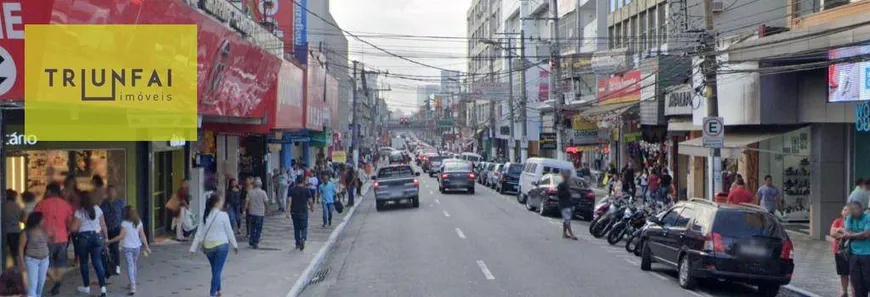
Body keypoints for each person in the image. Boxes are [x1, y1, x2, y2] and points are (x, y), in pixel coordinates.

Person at [189, 193, 238, 297]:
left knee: (215, 269)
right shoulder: (223, 215)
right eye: (221, 201)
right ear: (216, 203)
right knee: (217, 270)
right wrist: (234, 244)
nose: (222, 202)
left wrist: (193, 248)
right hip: (222, 245)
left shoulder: (205, 215)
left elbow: (198, 233)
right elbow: (229, 231)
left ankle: (219, 289)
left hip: (208, 247)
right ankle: (212, 293)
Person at [33, 183, 73, 296]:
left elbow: (34, 221)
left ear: (49, 191)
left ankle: (52, 280)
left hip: (46, 239)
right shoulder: (65, 204)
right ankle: (58, 281)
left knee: (46, 261)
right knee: (60, 262)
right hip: (62, 238)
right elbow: (69, 222)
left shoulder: (41, 204)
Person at [71, 192, 109, 297]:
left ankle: (86, 287)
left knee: (84, 262)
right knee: (97, 261)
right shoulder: (97, 209)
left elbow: (73, 228)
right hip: (97, 237)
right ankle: (103, 289)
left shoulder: (79, 212)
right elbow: (103, 225)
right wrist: (106, 238)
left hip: (84, 238)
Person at [106, 206, 150, 296]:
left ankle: (133, 286)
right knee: (134, 264)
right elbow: (143, 235)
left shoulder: (124, 223)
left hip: (127, 247)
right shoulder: (138, 222)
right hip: (137, 247)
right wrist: (146, 246)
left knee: (130, 265)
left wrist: (110, 241)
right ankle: (132, 283)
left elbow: (121, 236)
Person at [836, 201, 870, 297]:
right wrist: (858, 234)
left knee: (867, 280)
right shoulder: (850, 218)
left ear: (861, 209)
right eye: (852, 212)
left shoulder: (868, 217)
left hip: (867, 254)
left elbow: (867, 234)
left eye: (856, 211)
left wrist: (851, 235)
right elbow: (847, 232)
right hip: (854, 254)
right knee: (856, 283)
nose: (854, 214)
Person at [18, 212, 49, 297]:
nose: (44, 220)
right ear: (37, 220)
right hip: (32, 261)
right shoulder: (26, 232)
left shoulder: (44, 230)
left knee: (41, 284)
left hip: (45, 260)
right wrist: (22, 263)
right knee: (32, 285)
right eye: (42, 219)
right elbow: (21, 248)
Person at [99, 185, 125, 276]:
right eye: (109, 191)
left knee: (115, 247)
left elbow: (124, 215)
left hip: (117, 228)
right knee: (108, 248)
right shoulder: (103, 204)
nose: (111, 193)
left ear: (116, 193)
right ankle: (110, 267)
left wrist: (124, 227)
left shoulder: (120, 203)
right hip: (107, 228)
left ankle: (117, 265)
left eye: (113, 191)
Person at [287, 176, 314, 250]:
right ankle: (303, 238)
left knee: (296, 228)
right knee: (304, 227)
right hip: (303, 211)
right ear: (303, 181)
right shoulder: (306, 190)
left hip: (294, 211)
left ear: (296, 181)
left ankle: (297, 243)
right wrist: (312, 207)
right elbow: (310, 200)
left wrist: (287, 211)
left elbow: (289, 201)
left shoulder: (291, 190)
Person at [830, 205, 850, 297]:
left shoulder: (855, 222)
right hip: (839, 251)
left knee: (854, 273)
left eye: (849, 210)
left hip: (853, 251)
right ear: (842, 212)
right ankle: (844, 292)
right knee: (843, 272)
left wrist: (841, 231)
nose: (846, 211)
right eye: (845, 210)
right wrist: (846, 234)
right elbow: (833, 233)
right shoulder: (837, 221)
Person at [244, 178, 269, 249]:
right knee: (258, 228)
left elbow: (247, 201)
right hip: (260, 213)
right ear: (260, 185)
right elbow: (266, 202)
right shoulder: (263, 192)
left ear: (254, 185)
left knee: (252, 227)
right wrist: (267, 209)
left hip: (252, 212)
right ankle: (255, 241)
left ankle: (251, 240)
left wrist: (245, 209)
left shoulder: (250, 192)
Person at [557, 170, 578, 240]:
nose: (568, 178)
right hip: (564, 204)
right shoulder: (562, 185)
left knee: (566, 219)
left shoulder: (566, 185)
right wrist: (567, 192)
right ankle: (571, 234)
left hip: (567, 204)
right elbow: (559, 194)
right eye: (567, 177)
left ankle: (564, 233)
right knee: (567, 219)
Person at [3, 189, 23, 261]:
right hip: (15, 231)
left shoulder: (2, 205)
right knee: (15, 253)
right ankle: (16, 269)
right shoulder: (17, 206)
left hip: (3, 231)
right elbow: (22, 218)